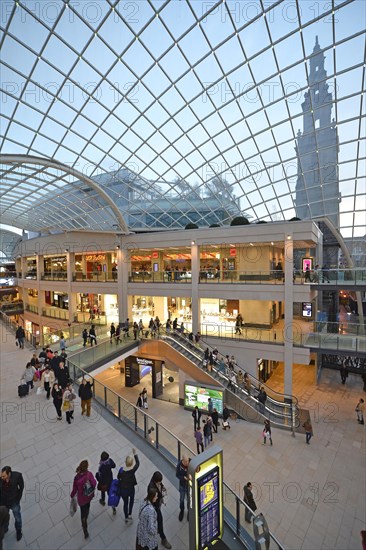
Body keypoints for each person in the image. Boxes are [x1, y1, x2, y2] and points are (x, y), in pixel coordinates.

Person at [70, 460, 96, 539]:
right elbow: (94, 484)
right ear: (87, 467)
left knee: (82, 514)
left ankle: (85, 529)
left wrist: (72, 496)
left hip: (81, 499)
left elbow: (74, 490)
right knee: (88, 506)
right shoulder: (89, 474)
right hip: (89, 496)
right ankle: (87, 514)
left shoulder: (76, 478)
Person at [148, 472, 172, 549]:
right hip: (155, 508)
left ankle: (158, 529)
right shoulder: (151, 488)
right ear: (156, 481)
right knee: (160, 520)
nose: (161, 483)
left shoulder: (156, 483)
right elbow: (152, 500)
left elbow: (160, 487)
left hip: (158, 505)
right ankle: (163, 538)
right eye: (159, 481)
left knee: (157, 520)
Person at [0, 466, 24, 542]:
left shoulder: (17, 476)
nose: (1, 477)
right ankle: (5, 528)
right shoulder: (0, 479)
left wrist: (18, 500)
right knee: (4, 517)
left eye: (3, 476)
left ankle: (18, 531)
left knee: (18, 518)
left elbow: (21, 487)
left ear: (9, 474)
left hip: (14, 502)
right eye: (1, 475)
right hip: (3, 503)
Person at [118, 448, 140, 522]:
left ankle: (126, 516)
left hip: (123, 490)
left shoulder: (121, 470)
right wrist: (135, 454)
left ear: (125, 462)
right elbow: (138, 463)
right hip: (131, 489)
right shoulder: (132, 470)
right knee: (131, 500)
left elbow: (118, 477)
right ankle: (130, 513)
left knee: (125, 503)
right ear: (131, 463)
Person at [176, 455, 190, 521]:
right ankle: (182, 511)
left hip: (189, 486)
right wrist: (183, 478)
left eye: (188, 461)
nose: (187, 463)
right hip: (182, 485)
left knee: (189, 500)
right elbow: (177, 475)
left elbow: (197, 469)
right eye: (186, 461)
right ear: (183, 461)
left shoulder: (191, 463)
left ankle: (189, 511)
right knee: (181, 499)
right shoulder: (179, 465)